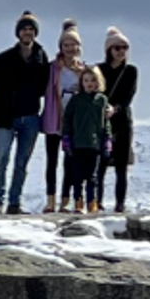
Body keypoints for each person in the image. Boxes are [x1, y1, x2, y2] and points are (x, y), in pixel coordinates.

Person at [0, 12, 48, 213]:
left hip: (31, 117)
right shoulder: (4, 58)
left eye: (31, 29)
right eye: (24, 29)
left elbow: (46, 85)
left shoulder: (41, 57)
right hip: (6, 119)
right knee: (2, 158)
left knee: (22, 162)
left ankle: (14, 203)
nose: (28, 32)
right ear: (18, 33)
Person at [39, 21, 85, 210]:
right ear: (60, 47)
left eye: (73, 45)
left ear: (78, 47)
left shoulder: (83, 71)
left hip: (73, 122)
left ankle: (65, 201)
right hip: (53, 119)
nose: (70, 49)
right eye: (66, 45)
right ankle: (50, 200)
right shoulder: (52, 68)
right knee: (51, 161)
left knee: (70, 162)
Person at [60, 62, 109, 219]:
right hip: (77, 143)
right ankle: (78, 202)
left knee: (92, 176)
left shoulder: (102, 100)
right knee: (77, 176)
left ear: (99, 82)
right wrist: (66, 138)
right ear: (82, 82)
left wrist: (107, 140)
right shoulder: (76, 100)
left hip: (94, 144)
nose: (90, 84)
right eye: (87, 81)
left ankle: (92, 202)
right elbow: (67, 119)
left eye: (93, 81)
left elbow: (106, 122)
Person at [96, 28, 137, 214]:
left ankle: (120, 204)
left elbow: (129, 96)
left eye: (125, 47)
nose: (121, 51)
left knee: (121, 165)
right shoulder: (99, 70)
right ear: (109, 50)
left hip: (122, 121)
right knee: (100, 165)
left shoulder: (130, 71)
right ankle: (97, 202)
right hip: (102, 121)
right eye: (117, 48)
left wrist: (115, 108)